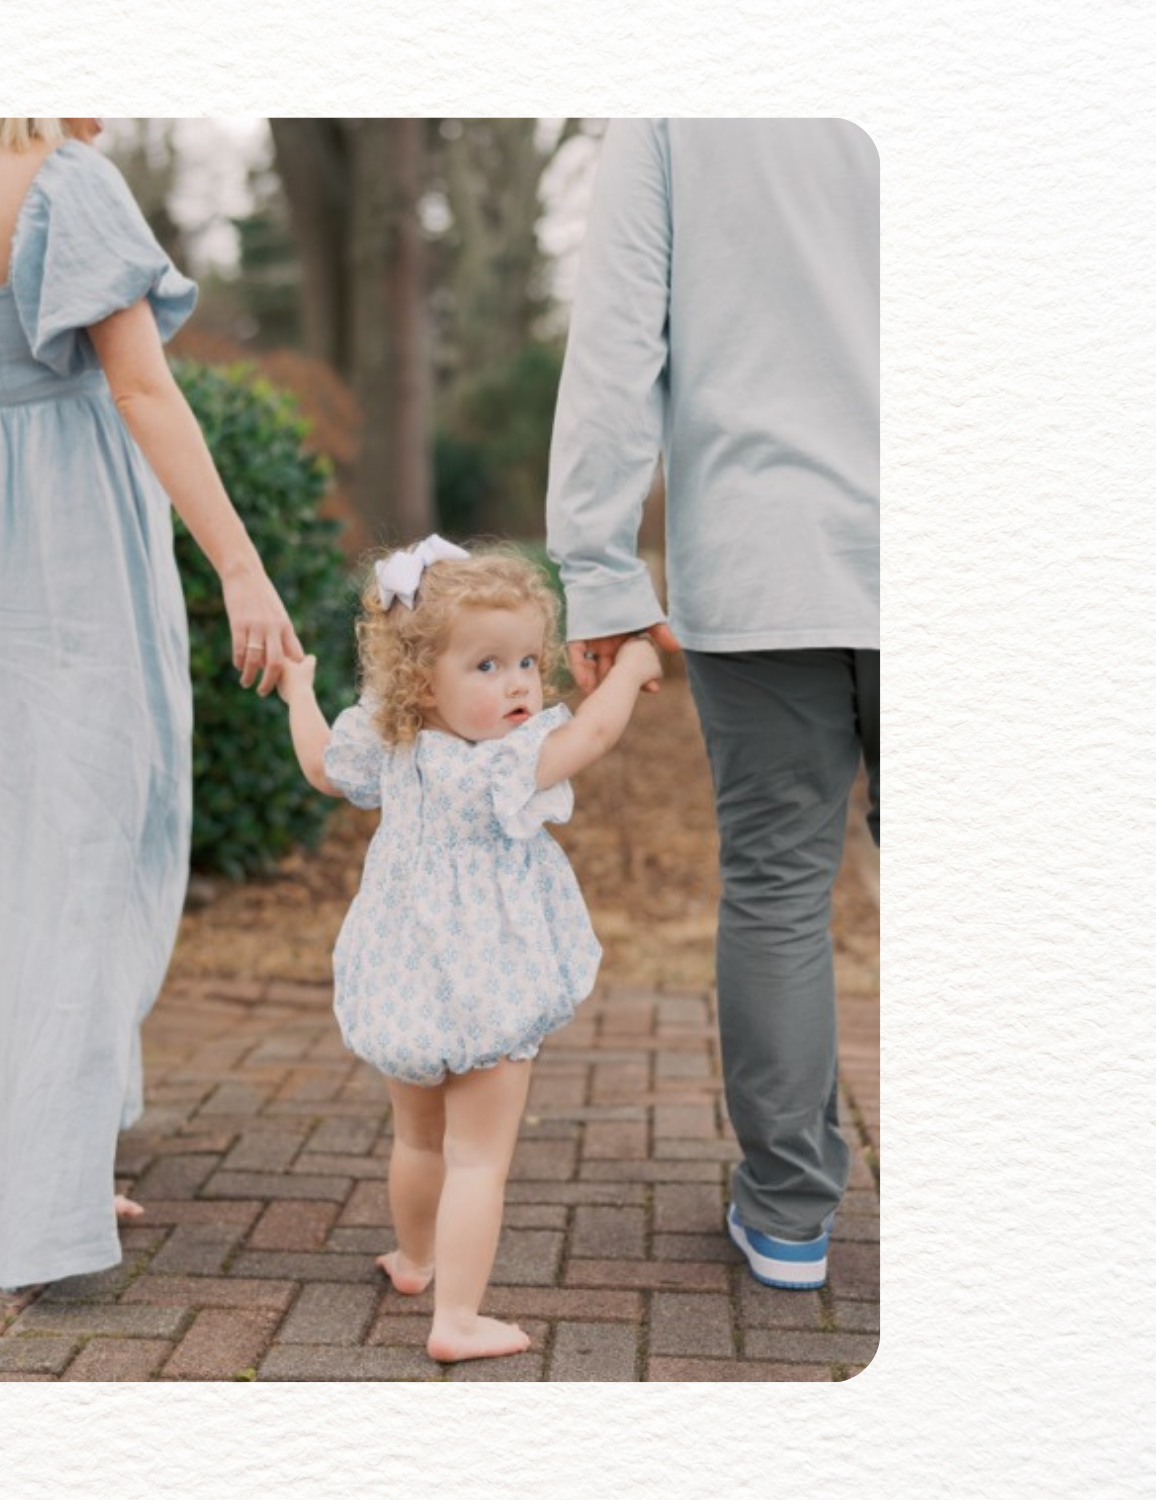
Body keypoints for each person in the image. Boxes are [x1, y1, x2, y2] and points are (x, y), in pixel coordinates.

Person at [0, 117, 301, 1292]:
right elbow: (140, 385)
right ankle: (40, 1200)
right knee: (84, 850)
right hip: (62, 548)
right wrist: (242, 566)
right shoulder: (66, 184)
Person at [546, 119, 879, 1291]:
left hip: (761, 556)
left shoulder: (679, 109)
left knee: (780, 889)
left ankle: (790, 1217)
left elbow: (617, 339)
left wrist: (595, 565)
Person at [276, 538, 661, 1360]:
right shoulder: (505, 763)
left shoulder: (390, 744)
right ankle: (456, 1320)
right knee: (478, 1158)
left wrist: (296, 691)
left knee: (417, 1138)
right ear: (422, 683)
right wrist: (629, 670)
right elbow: (590, 739)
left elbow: (317, 764)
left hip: (405, 973)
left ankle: (414, 1260)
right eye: (487, 666)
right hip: (487, 982)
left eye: (527, 659)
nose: (521, 681)